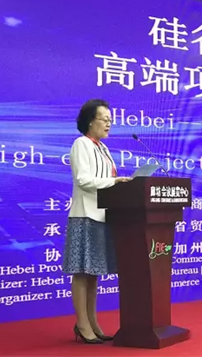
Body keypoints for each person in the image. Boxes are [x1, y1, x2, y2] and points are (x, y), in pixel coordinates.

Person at [62, 99, 131, 344]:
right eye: (105, 119)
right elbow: (83, 180)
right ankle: (82, 324)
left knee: (93, 274)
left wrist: (122, 185)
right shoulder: (81, 144)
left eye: (111, 120)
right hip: (85, 215)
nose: (109, 124)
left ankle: (93, 323)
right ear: (91, 121)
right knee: (83, 272)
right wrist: (114, 182)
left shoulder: (103, 148)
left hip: (103, 215)